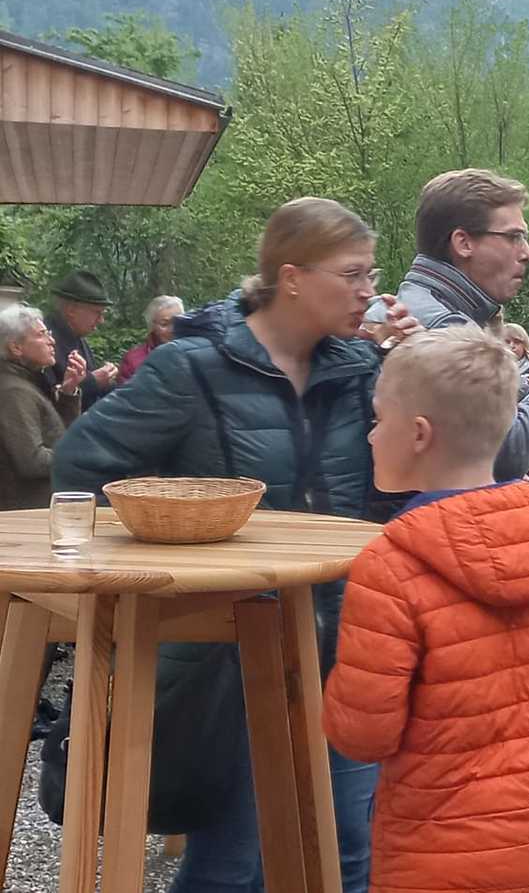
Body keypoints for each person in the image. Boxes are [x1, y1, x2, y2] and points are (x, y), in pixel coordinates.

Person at [54, 197, 419, 893]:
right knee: (235, 864)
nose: (369, 292)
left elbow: (400, 484)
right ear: (292, 278)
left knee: (349, 852)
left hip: (345, 648)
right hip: (232, 662)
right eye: (352, 274)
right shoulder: (191, 368)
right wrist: (172, 567)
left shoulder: (358, 369)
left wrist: (415, 367)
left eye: (372, 275)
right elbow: (82, 466)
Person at [323, 325, 529, 893]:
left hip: (442, 859)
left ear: (418, 435)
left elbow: (362, 734)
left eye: (378, 419)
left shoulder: (389, 566)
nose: (370, 435)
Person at [375, 168, 529, 481]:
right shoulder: (442, 327)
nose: (528, 253)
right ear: (463, 242)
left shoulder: (428, 309)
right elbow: (505, 450)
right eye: (514, 237)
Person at [0, 304, 86, 509]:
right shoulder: (14, 391)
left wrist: (68, 392)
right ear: (16, 347)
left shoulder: (26, 381)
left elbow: (57, 437)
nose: (52, 341)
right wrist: (84, 455)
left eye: (49, 333)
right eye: (41, 335)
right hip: (26, 513)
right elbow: (32, 462)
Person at [45, 269, 118, 409]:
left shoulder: (77, 337)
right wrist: (94, 381)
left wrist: (107, 380)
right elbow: (47, 397)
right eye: (97, 313)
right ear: (71, 310)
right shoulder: (45, 341)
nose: (101, 320)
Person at [118, 294, 184, 383]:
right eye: (164, 324)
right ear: (152, 326)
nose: (172, 329)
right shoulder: (133, 360)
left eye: (177, 322)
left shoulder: (197, 351)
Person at [500, 322, 529, 392]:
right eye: (507, 342)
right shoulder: (491, 371)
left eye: (517, 342)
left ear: (525, 345)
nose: (512, 346)